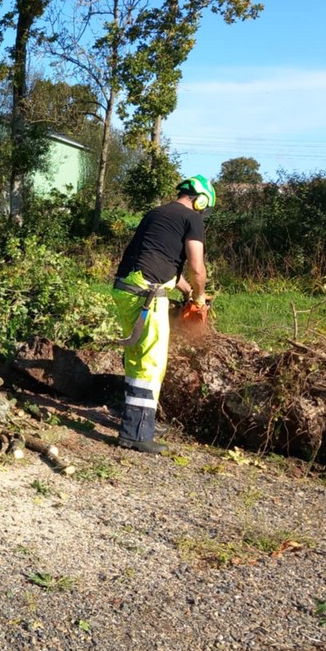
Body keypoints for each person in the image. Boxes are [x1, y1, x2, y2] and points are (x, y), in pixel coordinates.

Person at [111, 175, 216, 455]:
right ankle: (136, 434)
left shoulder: (157, 213)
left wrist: (183, 291)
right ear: (201, 199)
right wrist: (199, 296)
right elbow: (197, 268)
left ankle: (140, 421)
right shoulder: (191, 218)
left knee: (136, 358)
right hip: (148, 295)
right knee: (152, 363)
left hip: (125, 288)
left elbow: (161, 263)